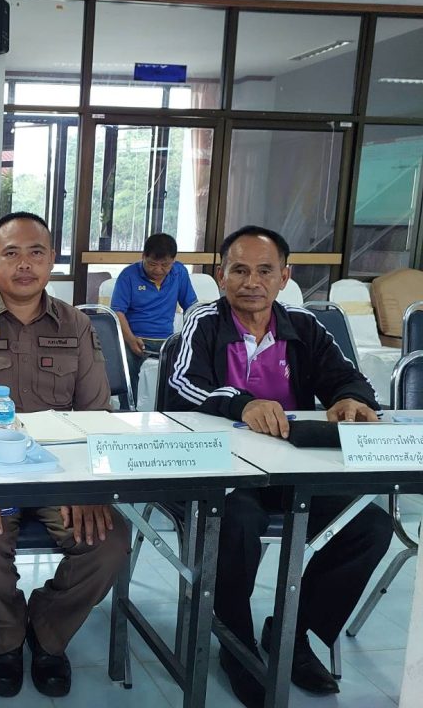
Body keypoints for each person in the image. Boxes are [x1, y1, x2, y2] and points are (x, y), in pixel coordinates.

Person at [165, 225, 393, 708]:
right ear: (221, 275)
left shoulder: (304, 327)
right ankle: (235, 640)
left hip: (293, 470)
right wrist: (241, 403)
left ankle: (293, 633)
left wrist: (351, 398)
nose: (252, 282)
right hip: (221, 472)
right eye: (239, 270)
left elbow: (348, 377)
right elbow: (182, 385)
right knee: (237, 522)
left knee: (370, 526)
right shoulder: (203, 321)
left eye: (265, 271)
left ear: (284, 277)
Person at [0, 211, 130, 699]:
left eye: (36, 252)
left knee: (110, 541)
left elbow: (96, 417)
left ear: (51, 260)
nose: (24, 264)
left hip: (61, 475)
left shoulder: (77, 325)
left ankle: (47, 631)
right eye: (11, 253)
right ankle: (6, 638)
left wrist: (88, 489)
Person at [110, 232, 197, 394]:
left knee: (191, 365)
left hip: (168, 341)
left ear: (173, 260)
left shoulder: (179, 273)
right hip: (135, 339)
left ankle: (171, 406)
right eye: (152, 264)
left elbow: (191, 307)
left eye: (165, 265)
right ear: (143, 256)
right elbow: (117, 312)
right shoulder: (128, 275)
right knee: (125, 366)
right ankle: (128, 406)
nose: (158, 270)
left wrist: (191, 337)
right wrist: (130, 339)